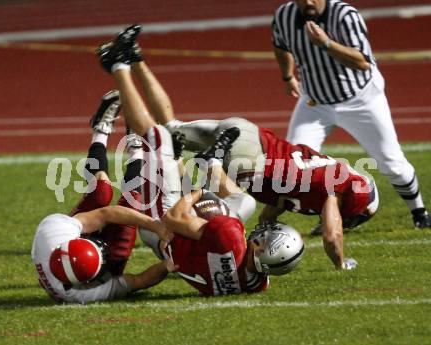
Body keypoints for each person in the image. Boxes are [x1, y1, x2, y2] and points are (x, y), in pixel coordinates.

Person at [96, 24, 378, 270]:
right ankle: (211, 161)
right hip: (249, 157)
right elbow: (332, 235)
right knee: (157, 138)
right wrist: (342, 263)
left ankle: (132, 56)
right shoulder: (337, 188)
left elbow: (275, 205)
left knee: (169, 129)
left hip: (245, 133)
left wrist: (262, 229)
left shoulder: (318, 183)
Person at [94, 25, 305, 295]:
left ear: (263, 249)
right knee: (247, 202)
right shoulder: (255, 283)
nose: (263, 234)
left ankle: (117, 66)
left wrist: (199, 192)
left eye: (266, 239)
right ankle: (209, 162)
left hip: (162, 224)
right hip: (197, 237)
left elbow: (173, 219)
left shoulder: (229, 237)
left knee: (156, 135)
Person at [271, 0, 431, 231]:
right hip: (315, 101)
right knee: (294, 164)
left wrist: (325, 43)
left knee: (392, 162)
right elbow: (280, 45)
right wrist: (288, 76)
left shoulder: (344, 15)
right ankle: (331, 216)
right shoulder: (284, 16)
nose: (307, 2)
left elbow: (363, 62)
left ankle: (420, 213)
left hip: (361, 98)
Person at [32, 91, 175, 304]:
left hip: (67, 243)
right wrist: (168, 266)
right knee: (134, 200)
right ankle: (136, 148)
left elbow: (107, 213)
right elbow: (137, 281)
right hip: (90, 271)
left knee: (101, 190)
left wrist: (156, 226)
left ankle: (100, 129)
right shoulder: (83, 294)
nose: (104, 249)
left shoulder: (53, 231)